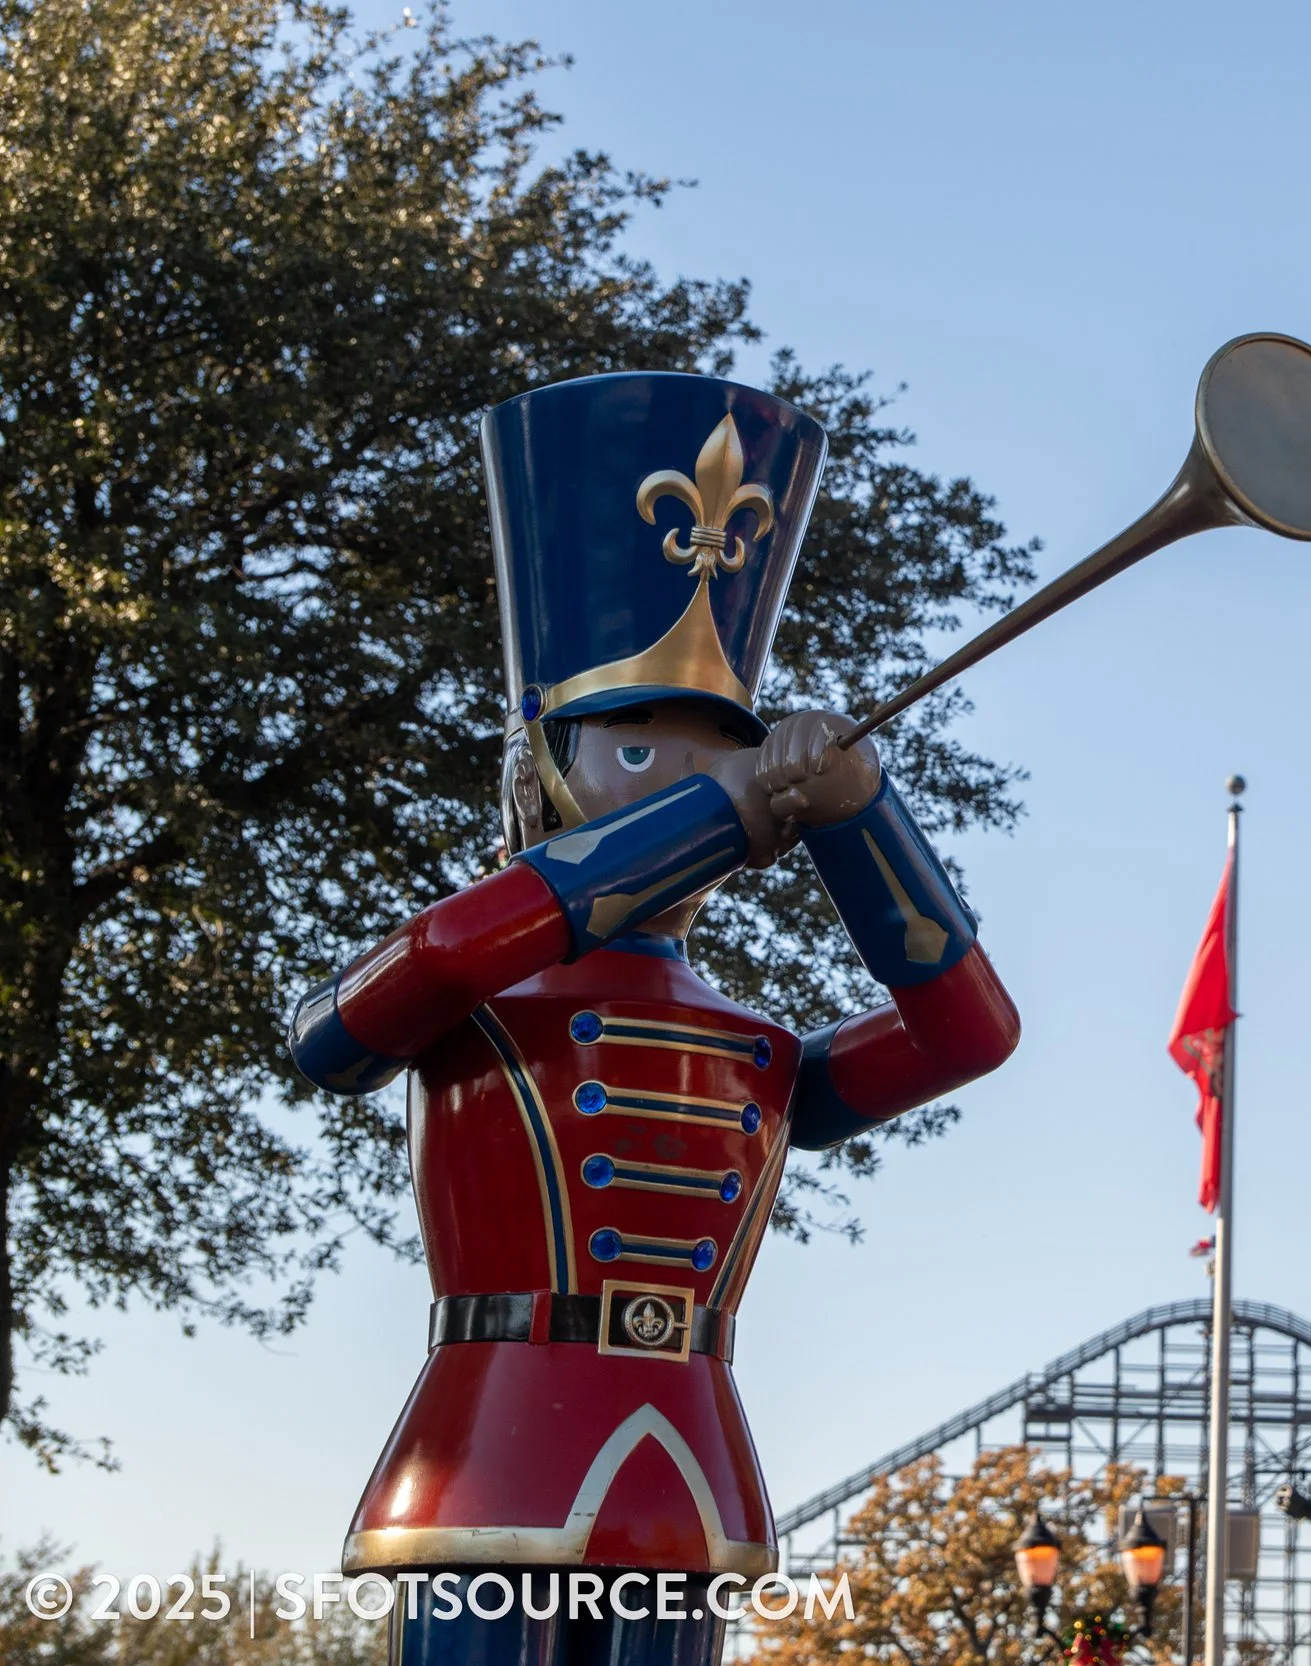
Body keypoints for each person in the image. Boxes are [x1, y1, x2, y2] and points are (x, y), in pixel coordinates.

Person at [287, 372, 1019, 1664]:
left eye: (708, 753)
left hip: (682, 1466)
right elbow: (341, 1025)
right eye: (636, 751)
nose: (681, 774)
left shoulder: (760, 1052)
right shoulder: (471, 988)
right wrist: (715, 814)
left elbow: (969, 1032)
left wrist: (863, 817)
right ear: (539, 766)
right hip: (488, 1453)